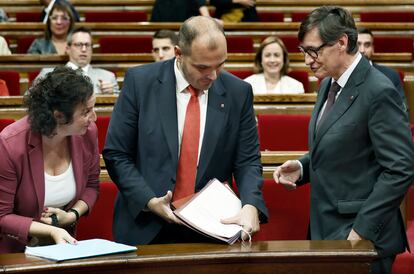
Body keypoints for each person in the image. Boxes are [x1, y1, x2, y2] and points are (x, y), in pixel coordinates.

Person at [103, 16, 268, 245]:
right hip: (144, 224)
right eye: (202, 67)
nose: (213, 75)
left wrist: (251, 204)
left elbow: (248, 159)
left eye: (220, 64)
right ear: (179, 54)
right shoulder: (140, 82)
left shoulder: (238, 92)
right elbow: (116, 153)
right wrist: (149, 200)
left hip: (210, 229)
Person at [273, 6, 414, 274]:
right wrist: (303, 167)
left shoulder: (379, 90)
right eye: (304, 51)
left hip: (361, 239)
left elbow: (401, 168)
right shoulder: (328, 83)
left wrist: (361, 230)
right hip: (328, 233)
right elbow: (344, 146)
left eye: (313, 51)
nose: (307, 61)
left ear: (341, 43)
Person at [0, 66, 100, 253]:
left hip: (64, 248)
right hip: (15, 252)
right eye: (86, 112)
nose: (93, 118)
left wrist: (72, 215)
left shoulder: (87, 133)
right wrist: (51, 230)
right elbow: (2, 216)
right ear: (59, 116)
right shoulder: (10, 144)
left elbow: (92, 186)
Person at [35, 27, 119, 94]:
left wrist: (112, 94)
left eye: (87, 45)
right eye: (79, 44)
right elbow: (31, 100)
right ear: (68, 49)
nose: (83, 49)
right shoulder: (48, 74)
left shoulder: (108, 77)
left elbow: (121, 107)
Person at [357, 27, 407, 104]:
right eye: (358, 44)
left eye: (367, 45)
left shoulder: (391, 76)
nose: (362, 50)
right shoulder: (342, 75)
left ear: (373, 49)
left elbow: (402, 110)